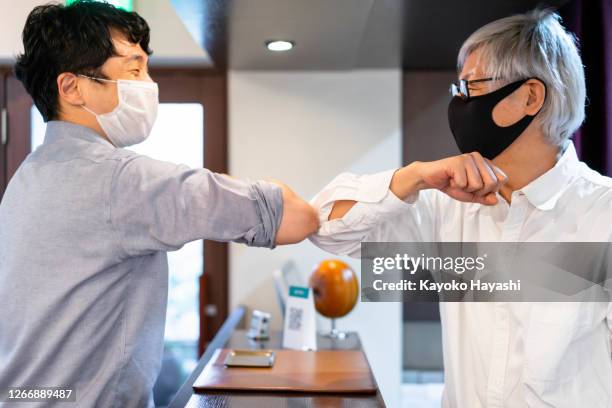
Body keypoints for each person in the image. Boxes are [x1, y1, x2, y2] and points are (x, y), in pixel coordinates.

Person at [0, 1, 317, 407]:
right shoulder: (121, 180)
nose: (148, 85)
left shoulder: (26, 178)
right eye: (133, 71)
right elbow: (295, 218)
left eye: (147, 69)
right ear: (71, 87)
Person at [310, 9, 612, 408]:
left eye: (472, 87)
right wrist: (414, 176)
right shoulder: (447, 209)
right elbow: (324, 226)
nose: (459, 103)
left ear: (530, 97)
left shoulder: (602, 214)